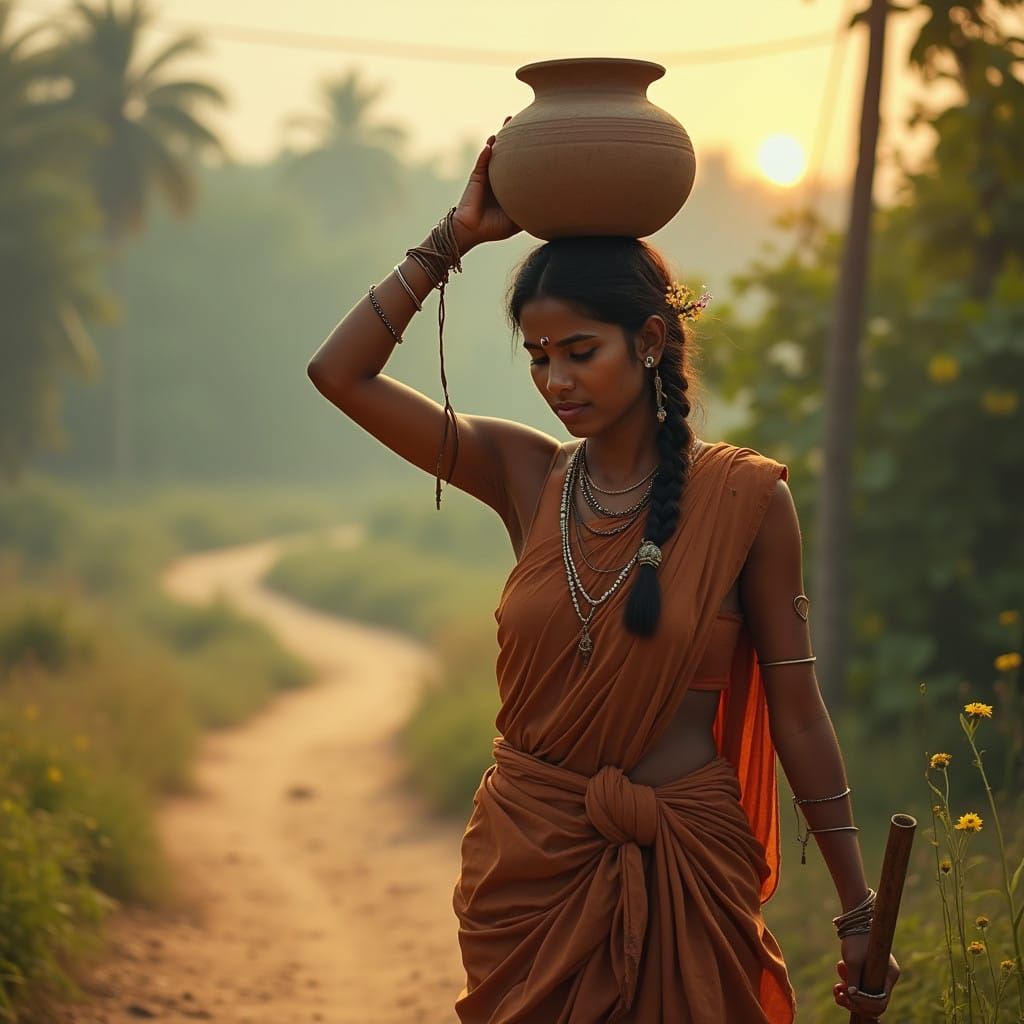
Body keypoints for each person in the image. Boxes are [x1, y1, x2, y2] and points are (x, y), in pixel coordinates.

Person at [306, 127, 901, 1023]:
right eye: (540, 357)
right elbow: (339, 374)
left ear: (651, 340)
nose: (555, 380)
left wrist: (858, 910)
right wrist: (453, 240)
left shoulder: (746, 503)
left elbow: (798, 712)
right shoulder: (523, 472)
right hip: (534, 861)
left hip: (688, 862)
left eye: (580, 352)